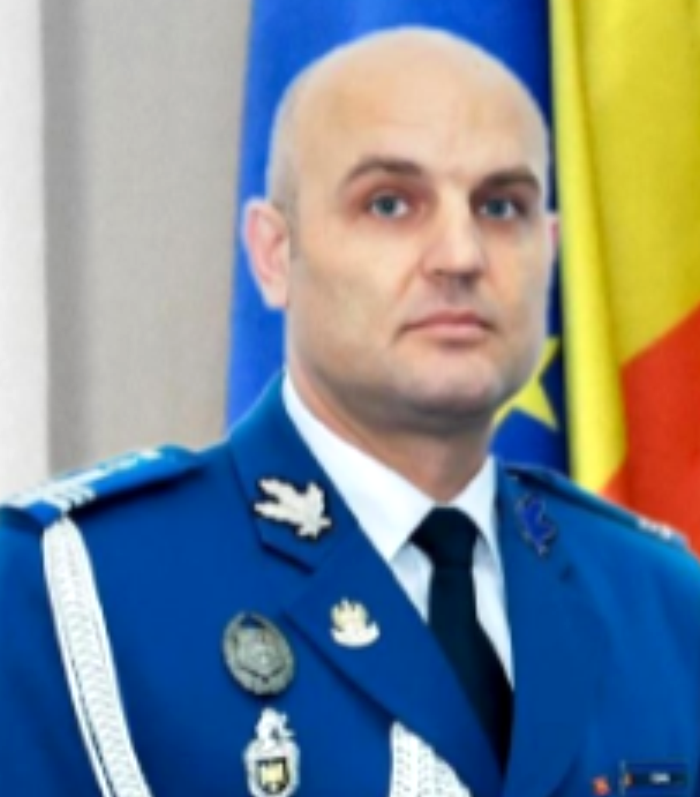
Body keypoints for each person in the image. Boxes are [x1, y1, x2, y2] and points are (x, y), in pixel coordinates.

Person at [1, 26, 699, 797]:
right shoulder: (72, 588)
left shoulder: (661, 598)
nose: (461, 255)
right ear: (274, 253)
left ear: (551, 249)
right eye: (390, 203)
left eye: (502, 206)